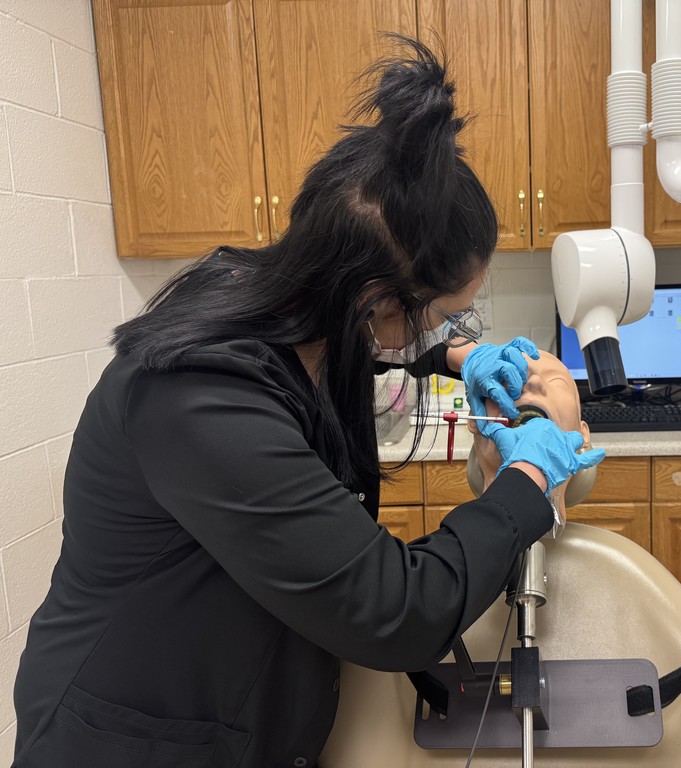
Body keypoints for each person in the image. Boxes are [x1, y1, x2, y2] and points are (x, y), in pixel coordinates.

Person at [10, 39, 602, 768]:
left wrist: (454, 357)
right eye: (447, 315)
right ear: (373, 302)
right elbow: (396, 613)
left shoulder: (270, 292)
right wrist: (532, 479)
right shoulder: (197, 399)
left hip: (247, 710)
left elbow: (328, 348)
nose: (450, 331)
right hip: (132, 739)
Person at [319, 350, 681, 767]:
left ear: (583, 436)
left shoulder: (629, 573)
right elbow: (358, 741)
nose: (529, 388)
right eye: (509, 382)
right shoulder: (422, 578)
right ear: (476, 424)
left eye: (554, 380)